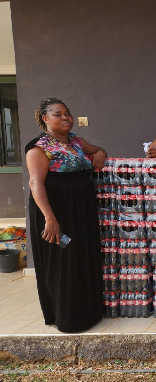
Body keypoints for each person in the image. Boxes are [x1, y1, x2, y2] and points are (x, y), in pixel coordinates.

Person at [25, 98, 107, 333]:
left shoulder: (77, 142)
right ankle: (67, 318)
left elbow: (98, 151)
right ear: (45, 119)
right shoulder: (39, 147)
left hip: (81, 209)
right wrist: (50, 219)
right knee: (64, 260)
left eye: (67, 113)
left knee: (82, 257)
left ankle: (89, 313)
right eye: (58, 114)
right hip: (55, 211)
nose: (65, 118)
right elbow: (35, 183)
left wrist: (100, 153)